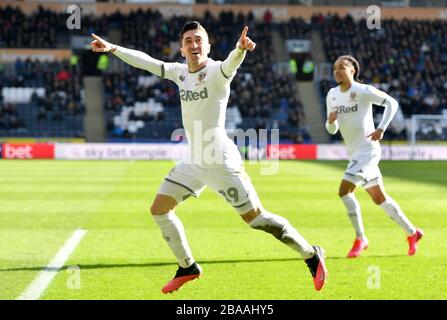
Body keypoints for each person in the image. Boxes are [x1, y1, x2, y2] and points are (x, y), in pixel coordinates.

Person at [91, 21, 327, 293]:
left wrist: (240, 49)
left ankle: (311, 254)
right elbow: (147, 62)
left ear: (207, 45)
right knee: (159, 209)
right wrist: (112, 48)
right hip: (193, 161)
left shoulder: (216, 71)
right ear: (181, 49)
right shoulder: (179, 73)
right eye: (189, 40)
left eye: (199, 40)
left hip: (221, 162)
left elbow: (231, 64)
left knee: (256, 219)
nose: (194, 44)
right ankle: (188, 266)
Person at [325, 55, 424, 258]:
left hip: (368, 151)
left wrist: (381, 128)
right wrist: (331, 121)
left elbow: (392, 103)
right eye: (335, 68)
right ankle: (412, 233)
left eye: (342, 67)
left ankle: (361, 238)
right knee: (379, 198)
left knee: (344, 191)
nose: (337, 71)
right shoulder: (332, 95)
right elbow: (331, 129)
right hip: (354, 153)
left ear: (353, 70)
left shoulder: (363, 91)